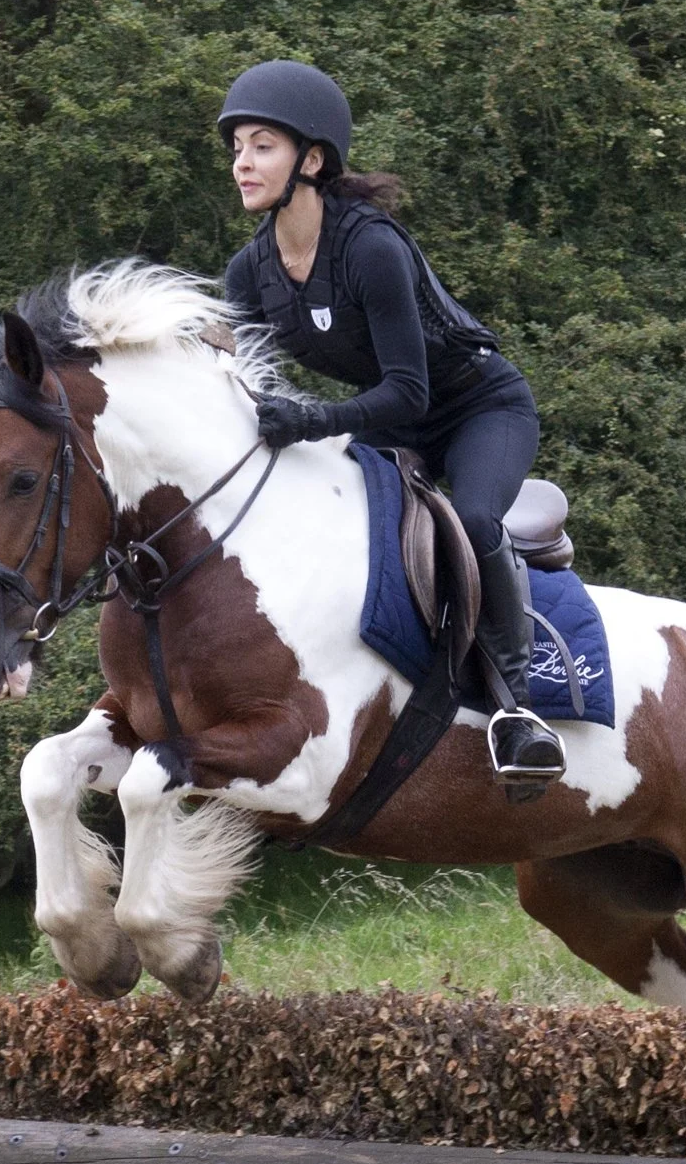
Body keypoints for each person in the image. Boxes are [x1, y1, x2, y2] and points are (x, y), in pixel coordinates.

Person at [215, 60, 567, 786]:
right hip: (392, 417)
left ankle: (518, 710)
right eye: (237, 149)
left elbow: (408, 392)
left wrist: (311, 420)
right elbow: (243, 389)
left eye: (261, 146)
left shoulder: (370, 247)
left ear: (311, 160)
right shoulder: (249, 274)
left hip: (476, 408)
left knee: (469, 520)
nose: (242, 164)